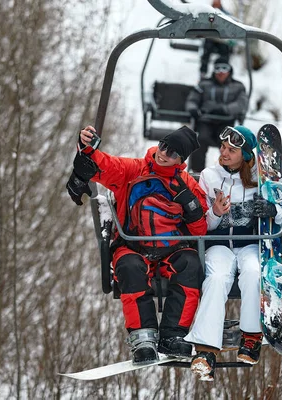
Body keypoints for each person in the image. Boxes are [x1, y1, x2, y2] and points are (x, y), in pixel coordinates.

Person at [65, 125, 208, 365]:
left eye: (172, 153)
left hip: (171, 250)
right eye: (163, 146)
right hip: (134, 246)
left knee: (191, 264)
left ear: (180, 160)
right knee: (129, 267)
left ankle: (173, 334)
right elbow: (105, 164)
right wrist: (86, 146)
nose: (164, 154)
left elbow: (200, 231)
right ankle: (143, 337)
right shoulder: (133, 171)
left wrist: (191, 207)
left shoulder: (187, 185)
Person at [183, 125, 282, 381]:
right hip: (219, 245)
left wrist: (271, 210)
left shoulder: (263, 178)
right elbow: (203, 224)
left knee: (253, 273)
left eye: (231, 150)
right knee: (217, 278)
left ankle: (251, 335)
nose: (223, 153)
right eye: (223, 148)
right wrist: (215, 212)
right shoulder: (208, 176)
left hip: (250, 243)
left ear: (245, 155)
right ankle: (205, 349)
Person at [186, 58, 249, 173]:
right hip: (206, 121)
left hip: (226, 122)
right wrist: (193, 109)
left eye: (224, 68)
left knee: (228, 144)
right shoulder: (204, 84)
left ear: (230, 71)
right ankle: (197, 172)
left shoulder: (237, 86)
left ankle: (227, 171)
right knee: (200, 140)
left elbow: (241, 103)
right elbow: (192, 99)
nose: (221, 72)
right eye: (217, 68)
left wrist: (225, 109)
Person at [199, 0, 235, 78]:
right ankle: (203, 73)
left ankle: (225, 72)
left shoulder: (225, 14)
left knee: (225, 52)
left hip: (221, 40)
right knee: (206, 50)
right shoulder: (207, 12)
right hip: (210, 38)